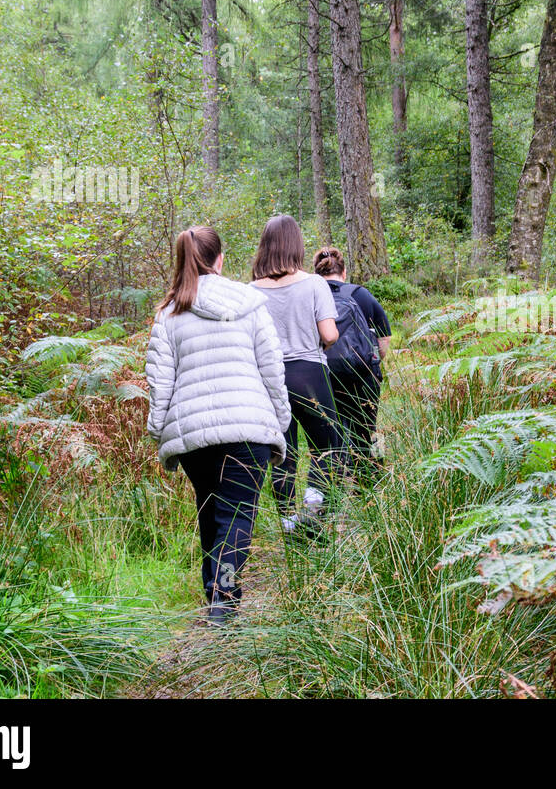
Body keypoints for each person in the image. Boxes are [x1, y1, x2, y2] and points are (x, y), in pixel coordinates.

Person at [145, 226, 291, 626]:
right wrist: (280, 420)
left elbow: (160, 383)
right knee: (236, 516)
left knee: (211, 512)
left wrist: (158, 431)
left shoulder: (169, 313)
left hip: (193, 438)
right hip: (246, 430)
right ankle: (224, 602)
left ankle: (215, 598)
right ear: (221, 259)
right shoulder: (251, 302)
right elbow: (272, 370)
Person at [249, 215, 343, 533]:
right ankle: (314, 505)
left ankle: (290, 524)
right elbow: (329, 334)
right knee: (329, 444)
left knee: (282, 453)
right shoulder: (314, 283)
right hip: (310, 373)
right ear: (297, 245)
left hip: (269, 378)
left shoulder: (250, 292)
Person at [312, 246, 391, 474]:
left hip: (323, 376)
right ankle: (368, 483)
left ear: (316, 274)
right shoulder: (361, 294)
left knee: (329, 434)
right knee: (365, 430)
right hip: (362, 375)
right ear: (344, 271)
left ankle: (330, 488)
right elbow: (383, 342)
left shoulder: (312, 295)